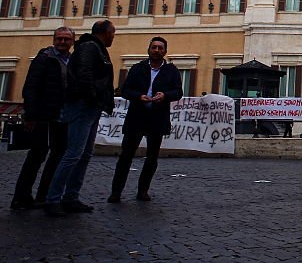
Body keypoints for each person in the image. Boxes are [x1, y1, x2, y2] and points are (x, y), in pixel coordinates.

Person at [44, 19, 116, 216]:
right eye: (112, 33)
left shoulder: (95, 48)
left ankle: (71, 197)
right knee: (73, 153)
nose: (113, 37)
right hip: (83, 105)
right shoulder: (90, 48)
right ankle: (53, 199)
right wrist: (92, 97)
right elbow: (84, 74)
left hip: (90, 106)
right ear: (106, 33)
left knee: (84, 154)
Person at [108, 36, 182, 202]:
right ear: (149, 50)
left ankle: (143, 191)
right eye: (154, 47)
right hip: (137, 116)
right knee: (126, 156)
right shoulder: (137, 68)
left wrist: (165, 95)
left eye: (160, 48)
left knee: (152, 158)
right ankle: (116, 192)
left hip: (157, 117)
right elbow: (125, 90)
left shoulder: (172, 71)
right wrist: (138, 96)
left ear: (165, 51)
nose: (156, 50)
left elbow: (178, 92)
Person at [10, 27, 74, 210]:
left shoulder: (70, 61)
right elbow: (31, 87)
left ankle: (43, 195)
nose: (62, 42)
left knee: (57, 156)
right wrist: (30, 115)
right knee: (36, 155)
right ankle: (21, 196)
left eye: (66, 39)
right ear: (54, 40)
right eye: (59, 39)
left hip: (61, 116)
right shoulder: (44, 59)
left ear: (72, 42)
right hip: (43, 115)